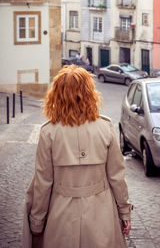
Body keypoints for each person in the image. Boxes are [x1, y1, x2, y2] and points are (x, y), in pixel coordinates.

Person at [22, 65, 132, 248]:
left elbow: (43, 183)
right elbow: (117, 178)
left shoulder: (48, 132)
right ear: (90, 93)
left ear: (56, 95)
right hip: (101, 215)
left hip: (61, 217)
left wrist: (37, 222)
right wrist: (125, 213)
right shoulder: (105, 128)